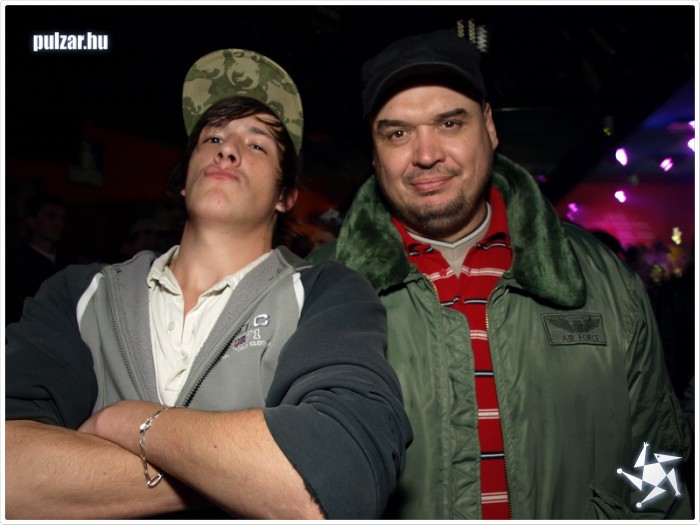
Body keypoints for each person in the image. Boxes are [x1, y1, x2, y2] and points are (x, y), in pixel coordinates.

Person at [5, 48, 412, 520]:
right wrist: (240, 476)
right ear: (183, 180)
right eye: (212, 137)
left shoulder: (326, 292)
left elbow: (344, 471)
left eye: (256, 144)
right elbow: (9, 470)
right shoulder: (80, 294)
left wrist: (129, 421)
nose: (227, 150)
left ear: (285, 196)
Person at [310, 29, 691, 519]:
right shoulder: (322, 290)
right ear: (374, 149)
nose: (426, 154)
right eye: (398, 133)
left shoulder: (599, 276)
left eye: (450, 123)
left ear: (489, 127)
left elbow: (657, 448)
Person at [5, 192, 68, 325]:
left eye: (61, 219)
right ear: (32, 221)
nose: (59, 224)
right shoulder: (17, 263)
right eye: (51, 217)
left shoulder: (66, 260)